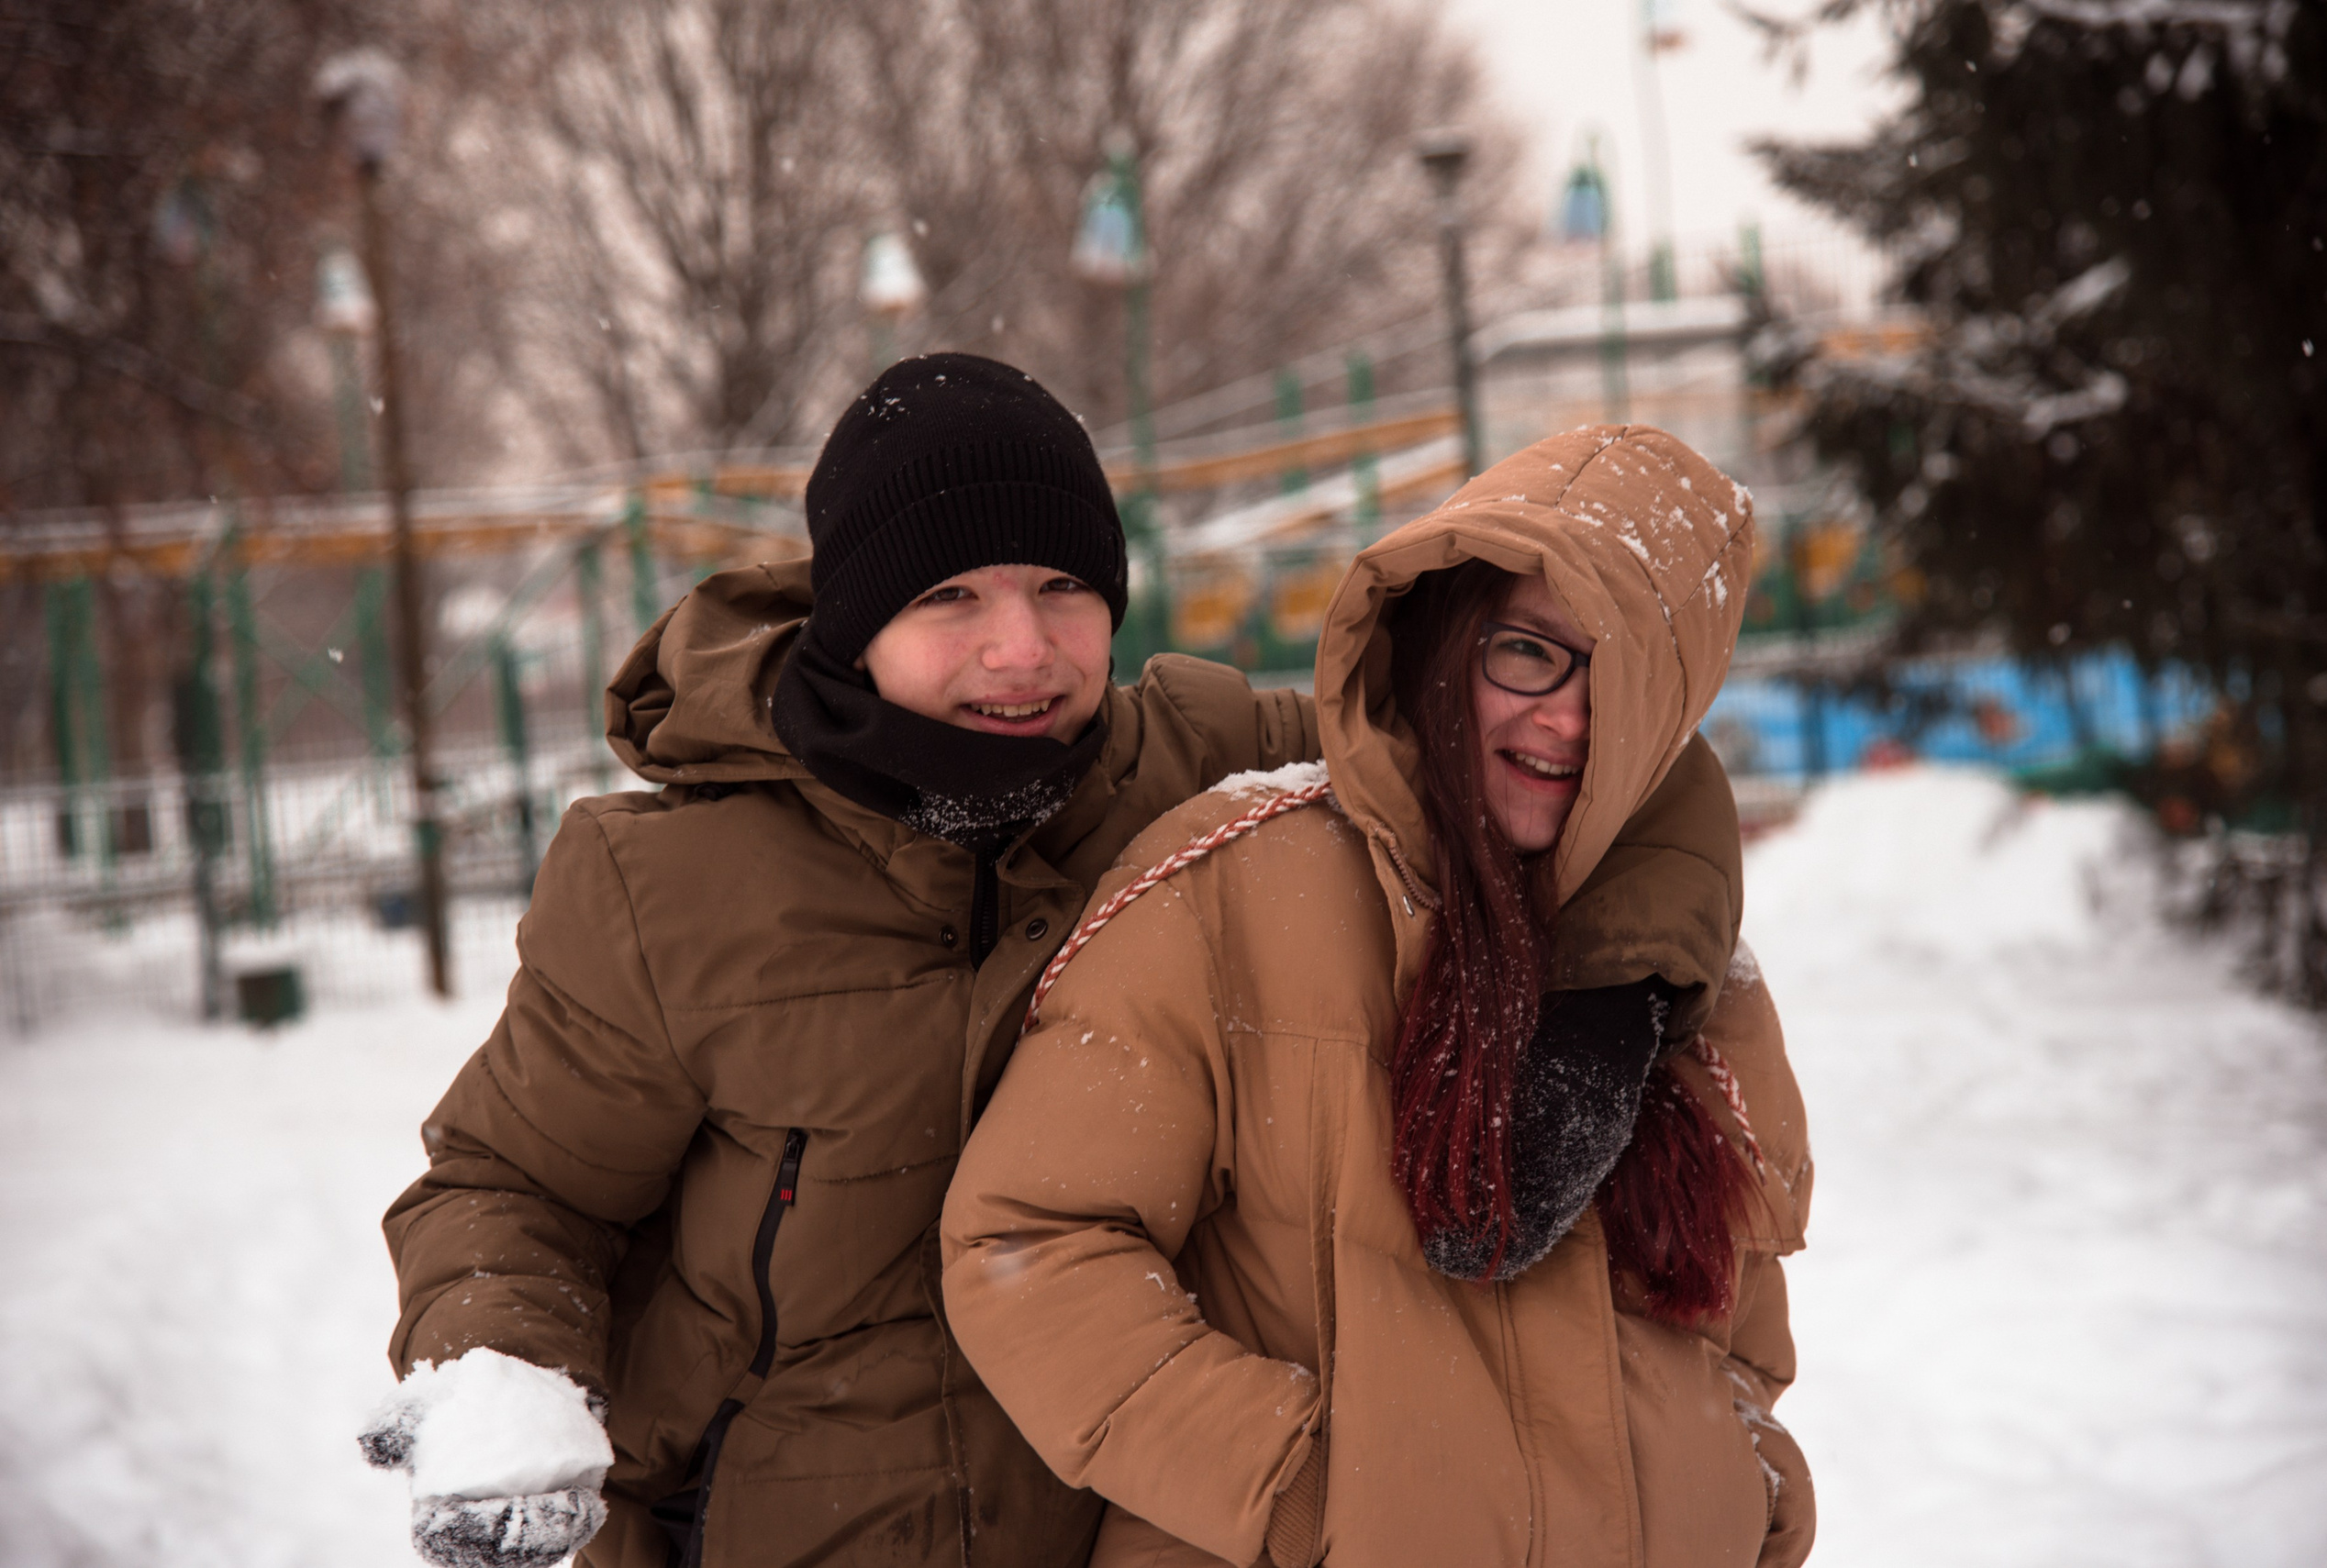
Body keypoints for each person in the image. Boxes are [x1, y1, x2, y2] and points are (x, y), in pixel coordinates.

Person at [361, 356, 1744, 1568]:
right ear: (855, 624)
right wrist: (507, 1367)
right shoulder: (667, 886)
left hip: (1108, 1517)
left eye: (1063, 587)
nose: (1020, 650)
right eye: (951, 595)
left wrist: (1610, 986)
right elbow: (513, 1181)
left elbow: (1558, 747)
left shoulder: (1192, 767)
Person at [940, 424, 1815, 1568]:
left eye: (1623, 673)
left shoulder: (1693, 977)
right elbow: (1032, 1244)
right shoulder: (1235, 885)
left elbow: (1738, 1328)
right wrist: (1305, 1492)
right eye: (1528, 653)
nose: (1565, 715)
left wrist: (1747, 1487)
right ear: (1449, 638)